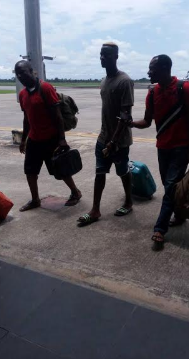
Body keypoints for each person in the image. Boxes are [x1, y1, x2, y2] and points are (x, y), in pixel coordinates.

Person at [130, 55, 189, 251]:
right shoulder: (152, 93)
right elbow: (147, 121)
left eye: (152, 69)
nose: (148, 72)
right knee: (170, 186)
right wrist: (131, 123)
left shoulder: (184, 89)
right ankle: (179, 214)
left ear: (165, 69)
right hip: (163, 148)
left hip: (181, 147)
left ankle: (160, 228)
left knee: (169, 187)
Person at [78, 42, 134, 226]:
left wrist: (113, 141)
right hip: (103, 138)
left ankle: (129, 201)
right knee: (99, 173)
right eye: (101, 55)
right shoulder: (104, 81)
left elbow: (125, 115)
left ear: (116, 57)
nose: (102, 58)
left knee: (123, 172)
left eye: (107, 55)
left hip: (119, 141)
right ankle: (95, 210)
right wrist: (106, 140)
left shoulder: (124, 81)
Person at [15, 60, 82, 212]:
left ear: (32, 71)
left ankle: (76, 192)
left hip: (50, 139)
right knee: (30, 171)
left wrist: (62, 139)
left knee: (60, 170)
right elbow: (27, 119)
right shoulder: (23, 94)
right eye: (18, 75)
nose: (21, 77)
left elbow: (58, 116)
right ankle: (35, 200)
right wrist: (23, 140)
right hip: (34, 139)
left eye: (23, 73)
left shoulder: (45, 88)